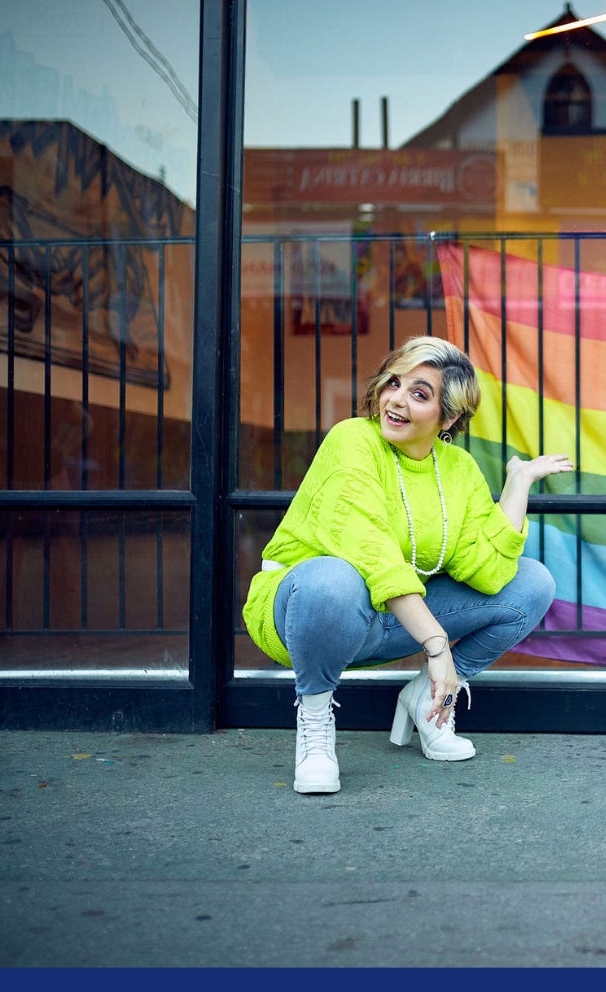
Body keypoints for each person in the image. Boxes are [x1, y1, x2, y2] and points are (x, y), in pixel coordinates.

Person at [241, 335, 574, 794]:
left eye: (419, 393)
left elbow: (489, 572)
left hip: (388, 620)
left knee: (532, 582)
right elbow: (371, 550)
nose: (395, 400)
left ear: (448, 417)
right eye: (393, 383)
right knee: (333, 578)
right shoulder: (352, 439)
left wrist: (518, 485)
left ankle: (428, 699)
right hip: (308, 613)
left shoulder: (458, 469)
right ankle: (315, 723)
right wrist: (437, 647)